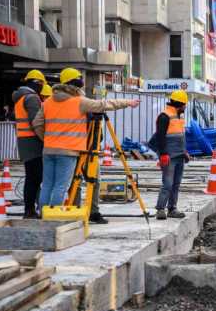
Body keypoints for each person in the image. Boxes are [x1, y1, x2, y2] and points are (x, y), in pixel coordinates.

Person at [32, 68, 140, 215]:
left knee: (47, 185)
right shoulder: (79, 102)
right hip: (68, 151)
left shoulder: (48, 102)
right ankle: (52, 216)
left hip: (49, 149)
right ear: (74, 83)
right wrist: (128, 102)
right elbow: (104, 104)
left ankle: (42, 214)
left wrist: (47, 139)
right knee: (60, 186)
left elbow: (37, 124)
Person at [12, 69, 46, 218]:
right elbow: (36, 122)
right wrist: (45, 139)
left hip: (24, 141)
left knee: (31, 178)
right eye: (41, 84)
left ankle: (29, 210)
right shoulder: (32, 98)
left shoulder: (20, 97)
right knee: (36, 178)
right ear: (37, 83)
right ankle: (31, 210)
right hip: (33, 142)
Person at [152, 90, 190, 220]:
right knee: (167, 183)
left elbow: (180, 137)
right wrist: (162, 154)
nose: (185, 107)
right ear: (180, 104)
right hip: (168, 156)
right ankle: (160, 209)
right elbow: (160, 137)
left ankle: (172, 208)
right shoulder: (164, 116)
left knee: (176, 184)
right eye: (185, 104)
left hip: (179, 155)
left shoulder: (178, 116)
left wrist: (184, 152)